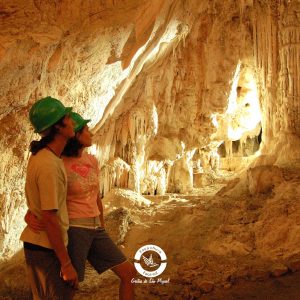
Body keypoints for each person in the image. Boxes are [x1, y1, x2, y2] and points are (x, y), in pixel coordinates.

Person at [26, 112, 136, 300]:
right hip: (75, 230)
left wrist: (101, 224)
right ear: (76, 135)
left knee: (129, 273)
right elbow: (45, 196)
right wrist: (29, 214)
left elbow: (96, 197)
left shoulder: (92, 160)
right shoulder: (57, 162)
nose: (91, 133)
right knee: (69, 288)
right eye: (86, 129)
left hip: (95, 229)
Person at [20, 96, 78, 300]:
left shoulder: (43, 157)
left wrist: (29, 214)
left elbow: (37, 200)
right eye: (68, 117)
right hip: (46, 248)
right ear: (59, 128)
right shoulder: (49, 165)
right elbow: (50, 218)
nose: (73, 122)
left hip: (42, 245)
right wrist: (66, 264)